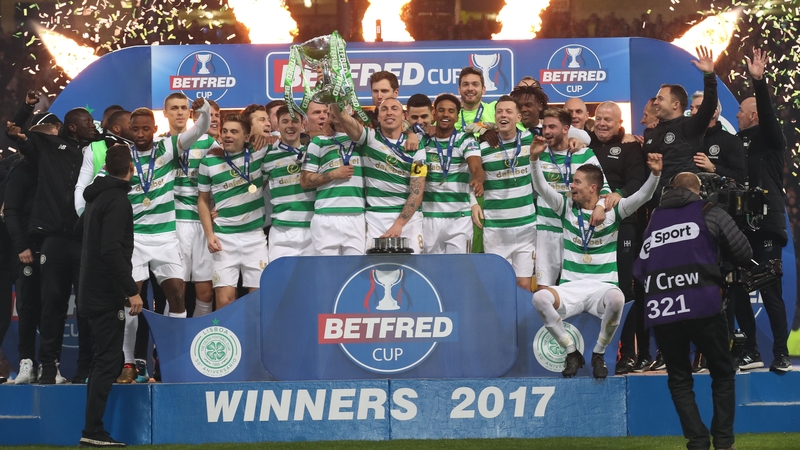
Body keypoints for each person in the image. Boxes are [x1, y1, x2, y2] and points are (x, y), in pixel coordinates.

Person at [634, 172, 752, 450]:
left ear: (671, 190)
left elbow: (639, 270)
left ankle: (697, 441)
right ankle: (723, 443)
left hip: (663, 310)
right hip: (704, 306)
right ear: (698, 190)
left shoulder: (654, 220)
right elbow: (744, 253)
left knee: (679, 379)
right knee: (722, 373)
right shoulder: (710, 211)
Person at [530, 139, 661, 379]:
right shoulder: (565, 207)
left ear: (593, 188)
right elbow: (541, 187)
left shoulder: (615, 212)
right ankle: (571, 352)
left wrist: (654, 175)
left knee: (617, 297)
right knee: (540, 298)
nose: (572, 186)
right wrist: (534, 159)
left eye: (577, 182)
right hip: (571, 288)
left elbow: (642, 196)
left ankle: (598, 353)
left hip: (602, 288)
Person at [6, 106, 99, 384]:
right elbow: (19, 136)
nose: (93, 126)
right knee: (52, 305)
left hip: (84, 241)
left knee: (86, 307)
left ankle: (86, 368)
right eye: (87, 122)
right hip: (54, 241)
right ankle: (49, 365)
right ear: (72, 126)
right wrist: (22, 118)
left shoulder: (97, 152)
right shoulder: (48, 147)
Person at [728, 48, 792, 372]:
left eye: (740, 111)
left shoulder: (771, 140)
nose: (737, 114)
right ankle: (750, 350)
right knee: (738, 286)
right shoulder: (734, 142)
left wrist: (759, 82)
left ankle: (780, 353)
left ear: (753, 115)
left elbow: (768, 116)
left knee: (769, 288)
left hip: (766, 223)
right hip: (738, 227)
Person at [77, 144, 143, 448]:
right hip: (105, 294)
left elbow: (84, 235)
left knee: (101, 361)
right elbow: (111, 249)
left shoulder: (95, 197)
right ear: (130, 169)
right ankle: (93, 431)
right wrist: (131, 290)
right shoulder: (117, 200)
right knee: (107, 362)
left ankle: (92, 429)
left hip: (89, 290)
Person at [589, 101, 649, 374]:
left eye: (608, 120)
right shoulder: (583, 142)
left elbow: (638, 179)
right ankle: (594, 349)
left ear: (619, 123)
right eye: (599, 118)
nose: (602, 124)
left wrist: (621, 193)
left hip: (621, 224)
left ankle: (629, 353)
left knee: (625, 288)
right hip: (587, 227)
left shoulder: (629, 146)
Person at [198, 113, 269, 308]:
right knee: (225, 299)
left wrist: (262, 136)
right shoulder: (208, 162)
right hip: (224, 239)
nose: (227, 135)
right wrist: (209, 234)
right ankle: (230, 338)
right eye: (225, 131)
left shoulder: (259, 153)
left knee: (258, 299)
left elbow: (290, 138)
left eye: (234, 132)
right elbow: (203, 201)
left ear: (246, 137)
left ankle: (253, 338)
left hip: (254, 238)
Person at [534, 108, 608, 290]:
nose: (547, 131)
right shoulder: (538, 152)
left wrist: (600, 206)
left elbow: (603, 187)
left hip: (576, 230)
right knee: (545, 289)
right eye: (545, 127)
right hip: (546, 228)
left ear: (566, 129)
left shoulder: (584, 154)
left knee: (576, 289)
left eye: (553, 127)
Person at [472, 96, 536, 290]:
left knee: (523, 285)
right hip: (496, 228)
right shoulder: (482, 147)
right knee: (499, 286)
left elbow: (561, 138)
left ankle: (521, 322)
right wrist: (473, 202)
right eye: (499, 111)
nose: (503, 115)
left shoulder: (531, 140)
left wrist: (578, 139)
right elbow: (469, 176)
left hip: (526, 225)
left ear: (518, 117)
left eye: (508, 111)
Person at [644, 46, 717, 200]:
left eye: (660, 99)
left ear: (675, 105)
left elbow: (709, 105)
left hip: (685, 199)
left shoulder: (690, 126)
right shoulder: (650, 131)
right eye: (656, 98)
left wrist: (709, 75)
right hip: (656, 201)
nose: (655, 102)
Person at [3, 128, 42, 384]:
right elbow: (11, 211)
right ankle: (25, 361)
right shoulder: (14, 168)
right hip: (15, 250)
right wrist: (20, 245)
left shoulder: (57, 166)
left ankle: (50, 364)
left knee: (50, 308)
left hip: (46, 246)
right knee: (20, 308)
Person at [301, 105, 367, 255]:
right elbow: (305, 181)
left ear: (351, 110)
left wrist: (410, 133)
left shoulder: (363, 140)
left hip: (356, 215)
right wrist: (333, 175)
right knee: (326, 273)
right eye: (332, 107)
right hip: (325, 215)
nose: (336, 110)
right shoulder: (319, 141)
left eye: (341, 105)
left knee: (354, 273)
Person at [422, 94, 483, 254]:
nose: (446, 115)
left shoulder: (466, 139)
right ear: (434, 114)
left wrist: (477, 179)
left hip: (459, 218)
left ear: (457, 116)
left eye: (451, 111)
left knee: (460, 271)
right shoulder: (424, 140)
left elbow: (476, 166)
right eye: (441, 110)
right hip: (429, 217)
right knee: (432, 272)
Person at [262, 106, 316, 260]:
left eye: (294, 121)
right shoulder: (267, 156)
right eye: (285, 121)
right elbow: (256, 189)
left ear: (302, 124)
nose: (290, 126)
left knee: (312, 283)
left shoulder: (313, 152)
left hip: (312, 229)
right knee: (281, 283)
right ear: (277, 126)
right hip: (281, 231)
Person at [689, 91, 746, 182]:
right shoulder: (684, 138)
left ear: (714, 112)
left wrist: (714, 168)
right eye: (691, 109)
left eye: (699, 108)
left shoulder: (731, 141)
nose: (693, 112)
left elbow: (739, 176)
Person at [455, 67, 496, 132]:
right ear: (459, 90)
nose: (470, 88)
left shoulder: (495, 109)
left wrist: (494, 127)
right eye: (465, 84)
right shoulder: (450, 114)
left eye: (475, 84)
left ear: (483, 90)